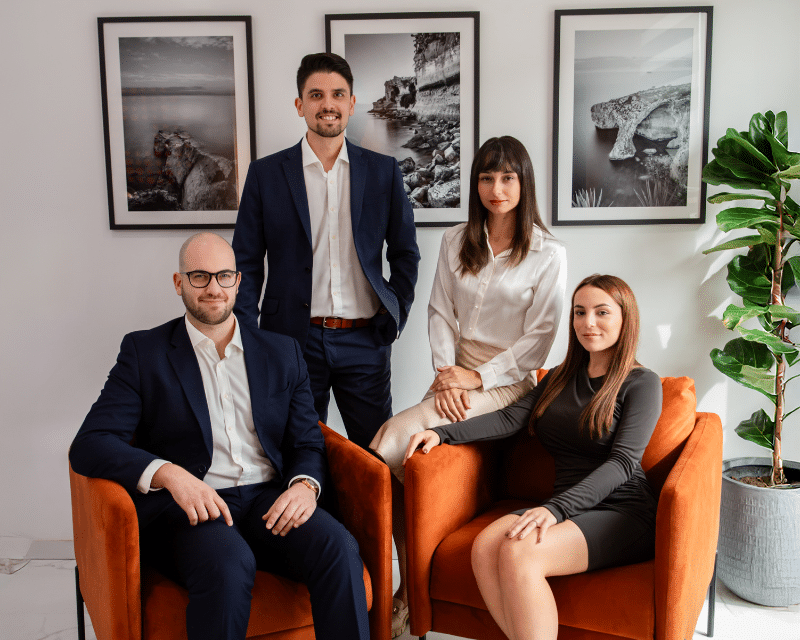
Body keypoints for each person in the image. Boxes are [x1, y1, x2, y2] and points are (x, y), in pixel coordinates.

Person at [69, 233, 369, 640]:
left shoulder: (282, 352)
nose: (214, 288)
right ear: (179, 283)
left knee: (339, 549)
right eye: (199, 276)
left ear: (239, 282)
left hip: (269, 498)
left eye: (224, 276)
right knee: (229, 565)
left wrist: (304, 486)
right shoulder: (145, 353)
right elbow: (91, 443)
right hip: (193, 508)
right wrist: (170, 476)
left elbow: (307, 441)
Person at [370, 136, 567, 637]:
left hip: (508, 384)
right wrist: (446, 374)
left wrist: (478, 377)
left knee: (388, 444)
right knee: (390, 459)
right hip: (451, 374)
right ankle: (403, 580)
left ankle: (404, 590)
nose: (496, 189)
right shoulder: (456, 240)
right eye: (485, 177)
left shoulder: (548, 253)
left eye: (507, 178)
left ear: (524, 184)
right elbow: (438, 312)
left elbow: (540, 341)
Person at [404, 274, 663, 640]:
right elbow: (510, 418)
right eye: (580, 312)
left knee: (519, 552)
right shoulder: (557, 377)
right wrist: (442, 433)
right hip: (568, 505)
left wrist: (554, 509)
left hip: (624, 510)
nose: (588, 323)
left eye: (602, 312)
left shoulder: (642, 383)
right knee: (485, 547)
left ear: (625, 318)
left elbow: (622, 464)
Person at [232, 52, 420, 449]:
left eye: (338, 94)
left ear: (352, 104)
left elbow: (405, 253)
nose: (328, 104)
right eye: (316, 95)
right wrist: (248, 338)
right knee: (294, 452)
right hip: (290, 342)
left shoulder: (384, 172)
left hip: (365, 340)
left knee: (376, 458)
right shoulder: (266, 175)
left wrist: (396, 314)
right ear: (300, 105)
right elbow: (245, 263)